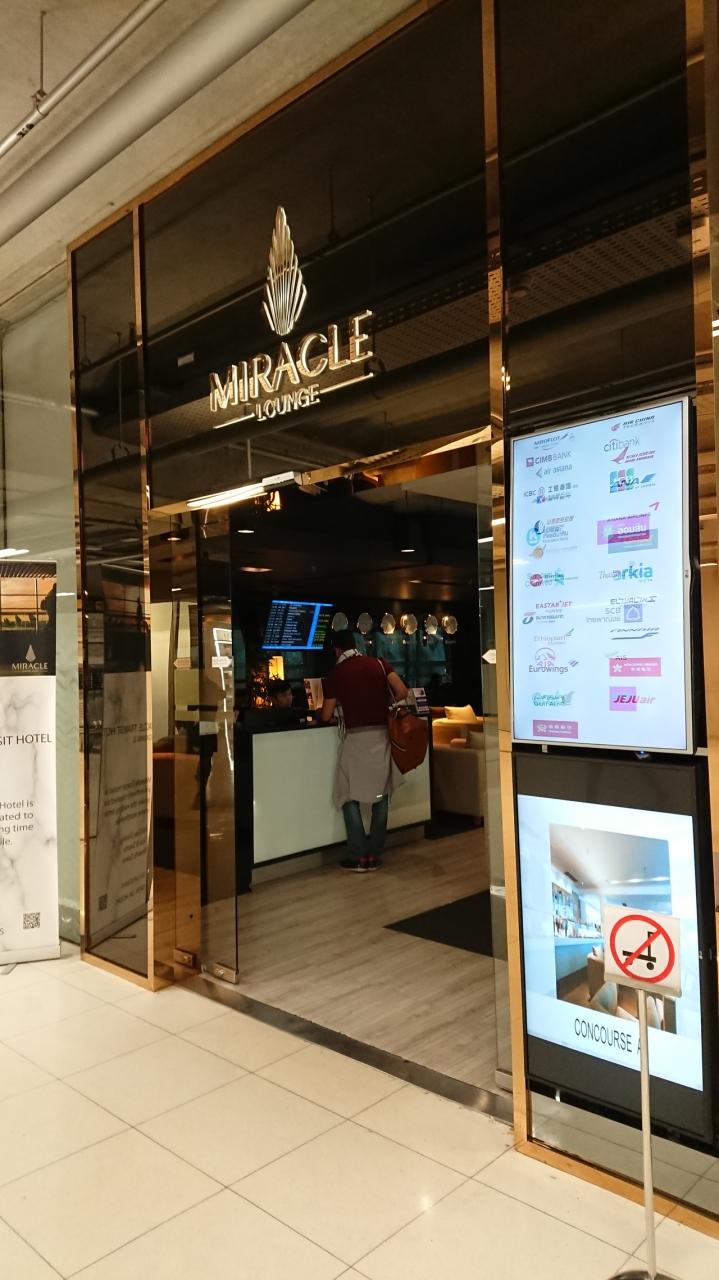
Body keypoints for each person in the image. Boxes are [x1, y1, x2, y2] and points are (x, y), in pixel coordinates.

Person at [320, 629, 409, 872]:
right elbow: (402, 691)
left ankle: (357, 854)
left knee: (347, 794)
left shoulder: (337, 673)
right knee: (382, 795)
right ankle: (374, 855)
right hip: (381, 737)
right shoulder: (379, 664)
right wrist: (386, 704)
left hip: (356, 740)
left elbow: (326, 714)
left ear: (337, 650)